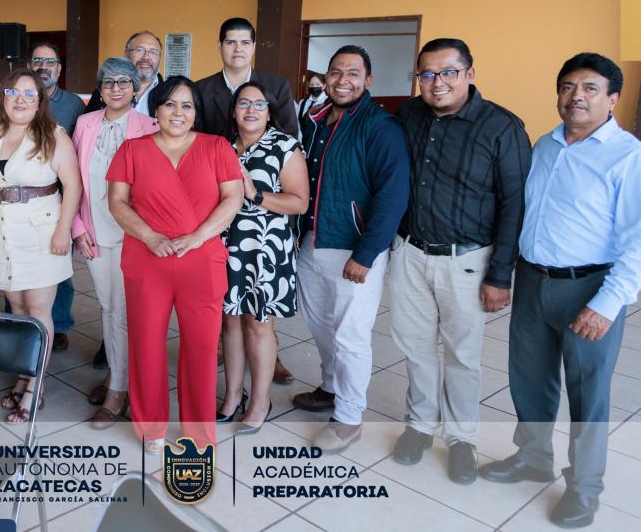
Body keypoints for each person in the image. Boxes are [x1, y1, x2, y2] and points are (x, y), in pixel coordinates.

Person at [479, 53, 641, 529]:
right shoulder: (545, 145)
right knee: (529, 379)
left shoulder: (628, 157)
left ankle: (584, 488)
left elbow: (638, 240)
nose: (577, 96)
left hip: (589, 288)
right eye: (568, 86)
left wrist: (607, 304)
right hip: (533, 281)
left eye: (590, 88)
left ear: (613, 98)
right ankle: (533, 459)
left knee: (588, 394)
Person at [390, 38, 531, 483]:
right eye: (427, 74)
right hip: (411, 253)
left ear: (469, 73)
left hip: (468, 261)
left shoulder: (502, 127)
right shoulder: (408, 116)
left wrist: (500, 275)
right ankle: (419, 426)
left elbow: (515, 205)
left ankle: (461, 439)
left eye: (449, 72)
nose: (438, 83)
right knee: (415, 348)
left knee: (462, 355)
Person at [107, 76, 244, 453]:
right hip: (146, 259)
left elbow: (232, 198)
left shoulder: (216, 147)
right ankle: (151, 427)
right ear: (156, 109)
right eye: (170, 104)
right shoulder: (132, 149)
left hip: (201, 261)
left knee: (201, 349)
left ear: (196, 112)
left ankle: (197, 433)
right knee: (146, 344)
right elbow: (117, 202)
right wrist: (150, 236)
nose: (178, 112)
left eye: (187, 106)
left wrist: (198, 237)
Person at [292, 45, 409, 453]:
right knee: (320, 322)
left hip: (355, 248)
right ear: (326, 77)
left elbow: (393, 194)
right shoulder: (316, 120)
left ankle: (348, 416)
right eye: (336, 72)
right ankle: (331, 386)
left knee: (351, 334)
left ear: (368, 80)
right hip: (313, 240)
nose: (343, 80)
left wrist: (367, 253)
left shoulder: (380, 126)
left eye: (353, 73)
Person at [0, 69, 81, 424]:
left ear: (40, 101)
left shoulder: (53, 134)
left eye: (30, 94)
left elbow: (73, 186)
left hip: (41, 232)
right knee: (17, 308)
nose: (21, 99)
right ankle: (23, 372)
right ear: (3, 97)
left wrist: (63, 231)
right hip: (1, 229)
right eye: (13, 92)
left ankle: (36, 385)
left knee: (38, 310)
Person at [72, 57, 159, 428]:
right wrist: (77, 227)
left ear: (136, 88)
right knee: (108, 308)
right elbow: (72, 180)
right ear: (100, 88)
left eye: (125, 81)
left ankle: (119, 390)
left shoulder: (150, 126)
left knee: (123, 313)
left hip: (133, 236)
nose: (116, 88)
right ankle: (116, 374)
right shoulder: (85, 123)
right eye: (108, 82)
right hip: (95, 231)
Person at [219, 82, 309, 431]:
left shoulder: (284, 146)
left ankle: (260, 400)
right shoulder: (223, 146)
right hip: (227, 246)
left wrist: (255, 195)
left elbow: (299, 202)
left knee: (258, 324)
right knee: (230, 321)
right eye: (244, 103)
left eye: (259, 104)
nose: (251, 110)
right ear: (233, 111)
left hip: (265, 249)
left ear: (270, 112)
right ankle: (232, 395)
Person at [28, 42, 85, 352]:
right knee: (24, 265)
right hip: (26, 197)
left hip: (62, 199)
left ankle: (59, 323)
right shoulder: (18, 99)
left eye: (50, 61)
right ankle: (20, 321)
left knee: (59, 265)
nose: (43, 66)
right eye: (37, 60)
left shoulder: (73, 104)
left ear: (59, 69)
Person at [196, 17, 298, 137]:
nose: (238, 49)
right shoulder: (200, 90)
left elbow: (289, 136)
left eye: (245, 43)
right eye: (231, 42)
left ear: (253, 47)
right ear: (220, 46)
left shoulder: (278, 86)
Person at [84, 31, 164, 116]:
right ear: (126, 54)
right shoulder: (105, 90)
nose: (146, 57)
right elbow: (88, 121)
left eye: (153, 52)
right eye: (139, 50)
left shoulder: (167, 93)